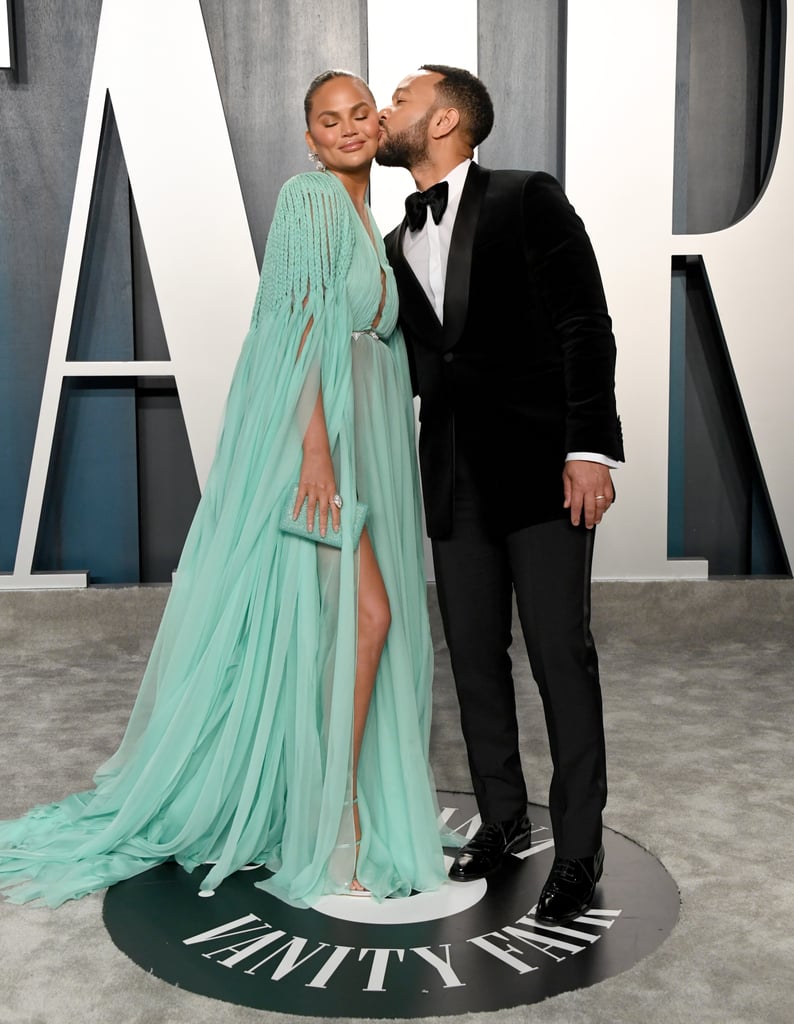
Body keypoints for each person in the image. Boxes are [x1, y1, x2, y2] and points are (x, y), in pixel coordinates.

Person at [0, 70, 455, 908]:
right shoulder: (309, 202)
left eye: (363, 114)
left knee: (335, 630)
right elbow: (298, 327)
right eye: (331, 119)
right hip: (320, 448)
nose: (352, 128)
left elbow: (379, 347)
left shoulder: (376, 224)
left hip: (373, 444)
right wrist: (315, 451)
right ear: (309, 139)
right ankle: (338, 823)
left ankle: (319, 806)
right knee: (367, 619)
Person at [377, 65, 624, 924]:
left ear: (446, 119)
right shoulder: (392, 242)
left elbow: (584, 323)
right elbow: (416, 364)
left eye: (400, 98)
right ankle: (505, 820)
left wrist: (590, 447)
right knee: (474, 660)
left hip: (543, 470)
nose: (383, 108)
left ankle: (581, 850)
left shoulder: (527, 197)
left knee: (562, 656)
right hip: (451, 478)